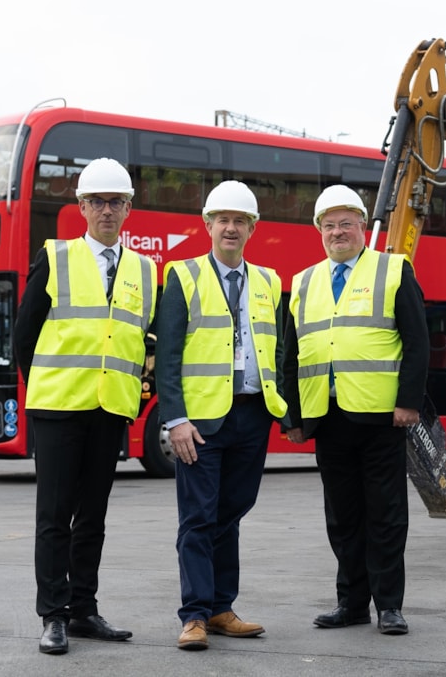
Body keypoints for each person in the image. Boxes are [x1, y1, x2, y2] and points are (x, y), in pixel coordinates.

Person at [13, 157, 157, 656]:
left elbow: (143, 339)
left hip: (110, 408)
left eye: (116, 201)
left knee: (92, 516)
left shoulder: (144, 269)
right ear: (81, 206)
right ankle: (52, 615)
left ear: (129, 208)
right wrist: (47, 389)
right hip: (58, 408)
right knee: (54, 515)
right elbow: (24, 336)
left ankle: (82, 610)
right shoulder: (54, 257)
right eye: (97, 201)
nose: (107, 210)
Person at [283, 184, 429, 636]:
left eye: (346, 223)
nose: (337, 232)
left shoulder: (392, 270)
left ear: (363, 227)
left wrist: (408, 402)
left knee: (385, 513)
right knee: (342, 516)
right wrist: (292, 417)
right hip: (326, 416)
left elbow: (418, 343)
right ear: (319, 231)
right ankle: (351, 603)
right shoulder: (304, 282)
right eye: (329, 225)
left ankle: (389, 606)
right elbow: (290, 353)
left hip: (380, 416)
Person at [154, 180, 288, 651]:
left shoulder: (270, 281)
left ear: (253, 228)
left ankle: (220, 607)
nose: (231, 228)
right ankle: (194, 614)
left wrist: (286, 412)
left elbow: (283, 351)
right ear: (207, 224)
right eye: (223, 219)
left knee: (231, 513)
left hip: (253, 415)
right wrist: (175, 418)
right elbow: (167, 355)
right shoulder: (182, 275)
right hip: (201, 422)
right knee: (198, 517)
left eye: (240, 221)